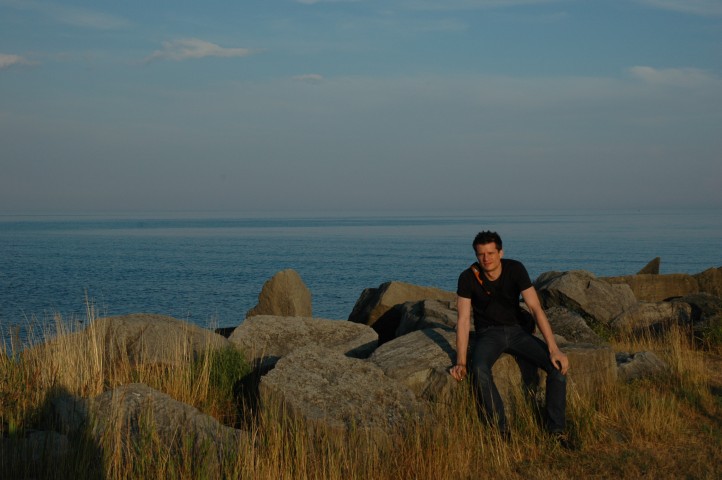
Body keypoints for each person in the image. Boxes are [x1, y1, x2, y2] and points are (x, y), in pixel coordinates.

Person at [449, 231, 569, 442]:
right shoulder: (467, 277)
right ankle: (502, 432)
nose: (486, 258)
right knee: (478, 369)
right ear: (476, 255)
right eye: (481, 254)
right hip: (488, 334)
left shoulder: (515, 269)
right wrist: (460, 361)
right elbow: (463, 320)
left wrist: (553, 348)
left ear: (500, 252)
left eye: (491, 253)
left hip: (517, 331)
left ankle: (556, 431)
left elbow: (535, 308)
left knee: (557, 367)